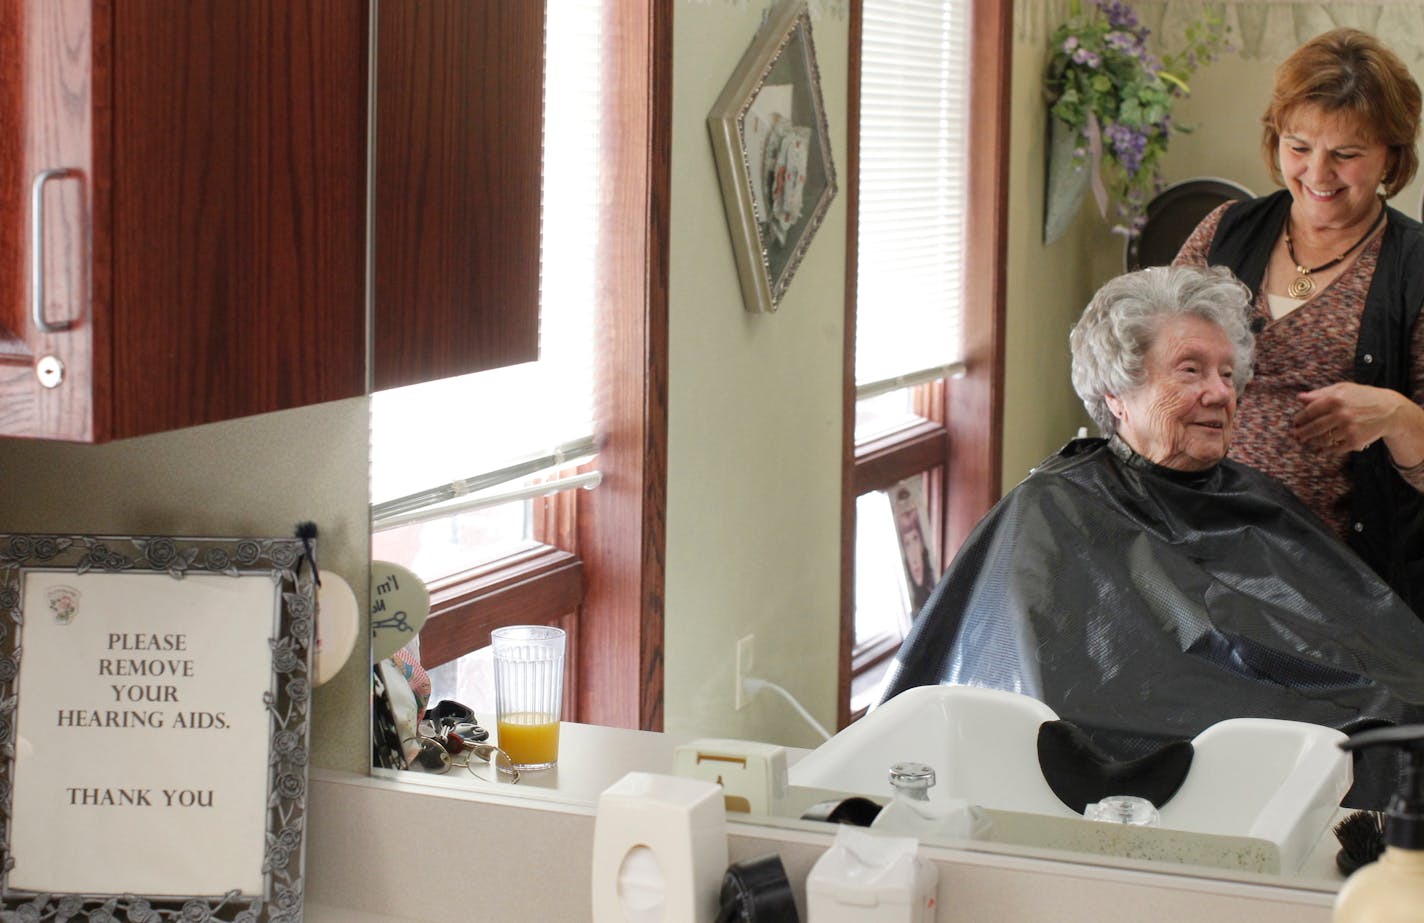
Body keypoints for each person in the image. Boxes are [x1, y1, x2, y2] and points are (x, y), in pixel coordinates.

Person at [879, 265, 1424, 808]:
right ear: (1117, 393)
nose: (1220, 393)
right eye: (1191, 371)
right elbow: (1063, 698)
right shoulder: (1053, 511)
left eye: (1228, 374)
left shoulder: (1255, 500)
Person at [1173, 27, 1424, 616]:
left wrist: (1396, 414)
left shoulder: (1415, 269)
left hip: (1344, 592)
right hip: (1202, 563)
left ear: (1392, 153)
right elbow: (1144, 359)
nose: (1318, 173)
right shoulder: (1223, 231)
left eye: (1347, 153)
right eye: (1299, 145)